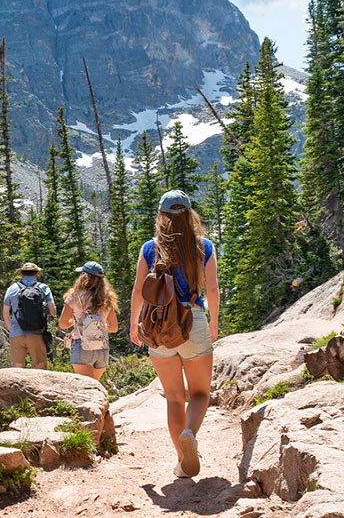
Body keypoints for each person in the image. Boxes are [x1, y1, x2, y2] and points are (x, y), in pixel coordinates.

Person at [129, 189, 220, 478]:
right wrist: (214, 324)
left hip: (159, 326)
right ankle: (190, 433)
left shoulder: (149, 248)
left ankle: (182, 461)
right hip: (192, 319)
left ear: (162, 216)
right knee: (200, 393)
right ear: (190, 215)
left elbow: (138, 292)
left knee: (173, 397)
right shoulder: (203, 246)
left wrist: (134, 325)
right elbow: (214, 291)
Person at [58, 261, 120, 380]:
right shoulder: (107, 299)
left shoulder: (74, 297)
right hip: (101, 347)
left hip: (81, 345)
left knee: (87, 389)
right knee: (95, 385)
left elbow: (63, 324)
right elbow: (113, 328)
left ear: (83, 277)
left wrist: (79, 323)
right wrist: (96, 327)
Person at [3, 262, 57, 369]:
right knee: (40, 366)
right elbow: (53, 311)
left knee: (18, 368)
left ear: (21, 274)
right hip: (36, 332)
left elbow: (5, 313)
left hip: (16, 333)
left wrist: (11, 329)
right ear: (36, 274)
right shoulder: (43, 288)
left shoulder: (12, 288)